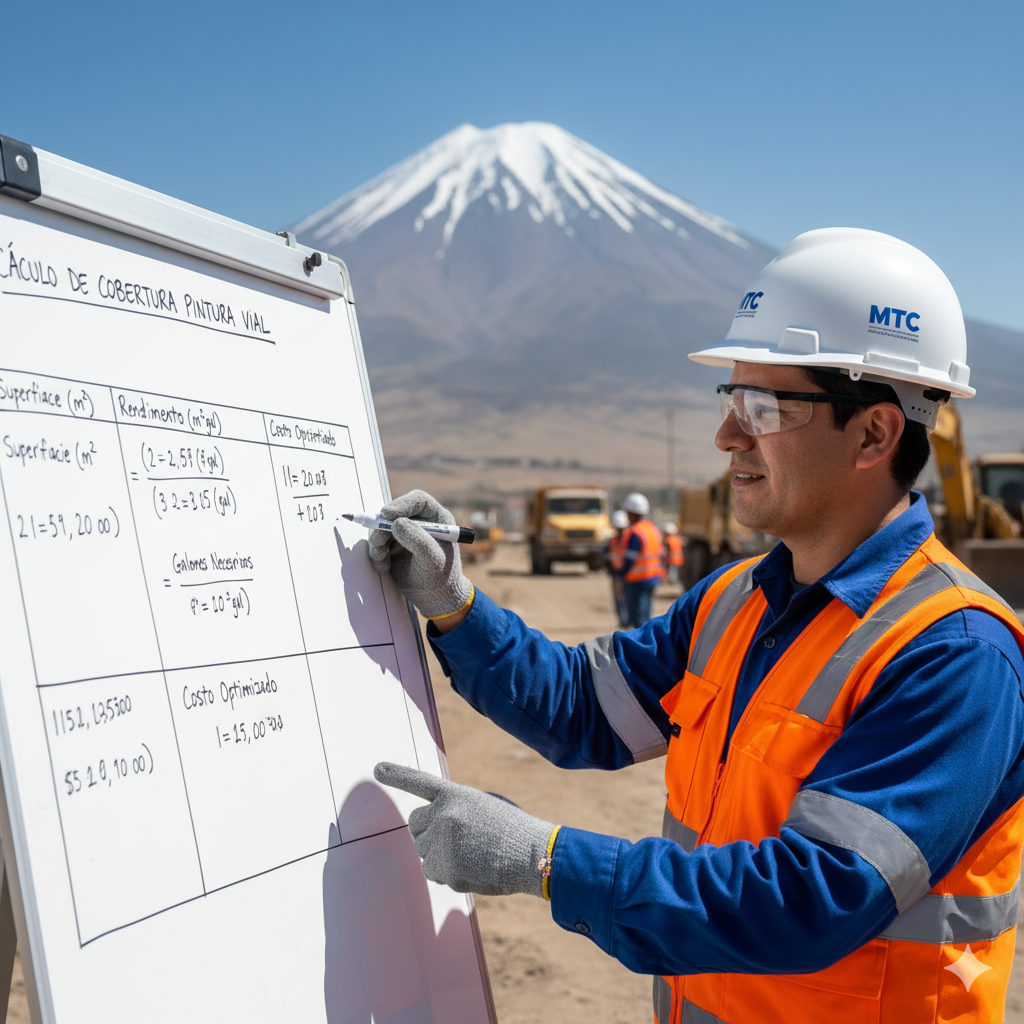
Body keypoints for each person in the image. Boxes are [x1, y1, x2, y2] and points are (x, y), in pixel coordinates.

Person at [369, 228, 1024, 1024]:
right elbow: (585, 708)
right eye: (730, 400)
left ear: (874, 433)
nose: (727, 437)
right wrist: (454, 605)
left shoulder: (953, 656)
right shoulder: (732, 602)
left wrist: (546, 860)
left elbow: (811, 897)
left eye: (763, 407)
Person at [619, 492, 664, 627]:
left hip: (637, 579)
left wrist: (623, 574)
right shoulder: (652, 529)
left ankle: (640, 645)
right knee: (646, 612)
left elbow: (630, 558)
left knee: (637, 615)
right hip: (653, 576)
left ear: (632, 513)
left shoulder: (636, 532)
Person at [607, 509, 630, 627]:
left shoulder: (630, 539)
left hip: (628, 573)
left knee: (627, 598)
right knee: (619, 599)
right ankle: (623, 620)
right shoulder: (613, 540)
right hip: (616, 573)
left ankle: (628, 619)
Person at [662, 521, 685, 589]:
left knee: (672, 572)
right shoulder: (677, 539)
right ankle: (675, 582)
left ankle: (673, 584)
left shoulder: (669, 540)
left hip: (672, 559)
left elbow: (668, 551)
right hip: (679, 559)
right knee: (675, 571)